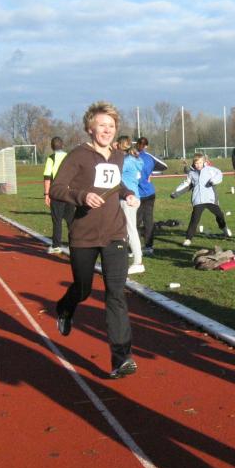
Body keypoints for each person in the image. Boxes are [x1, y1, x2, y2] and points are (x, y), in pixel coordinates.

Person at [50, 101, 140, 379]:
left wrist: (127, 193)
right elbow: (56, 189)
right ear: (90, 128)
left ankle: (121, 358)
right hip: (84, 235)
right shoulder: (78, 155)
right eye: (102, 125)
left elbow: (115, 184)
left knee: (116, 294)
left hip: (114, 233)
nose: (107, 130)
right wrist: (81, 196)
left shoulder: (118, 156)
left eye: (111, 126)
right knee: (83, 289)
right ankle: (65, 307)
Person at [171, 153, 232, 246]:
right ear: (194, 163)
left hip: (211, 199)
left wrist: (214, 181)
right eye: (196, 163)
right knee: (194, 219)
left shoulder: (210, 170)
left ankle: (224, 229)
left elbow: (219, 174)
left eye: (200, 163)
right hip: (198, 200)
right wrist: (176, 192)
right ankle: (188, 239)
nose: (198, 165)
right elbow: (186, 184)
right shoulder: (191, 173)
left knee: (219, 214)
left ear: (203, 162)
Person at [115, 135, 145, 274]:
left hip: (127, 198)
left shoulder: (125, 161)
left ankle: (138, 262)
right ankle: (127, 255)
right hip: (134, 196)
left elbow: (116, 176)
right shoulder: (137, 160)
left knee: (130, 229)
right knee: (126, 229)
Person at [43, 136, 75, 254]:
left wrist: (46, 194)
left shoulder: (51, 158)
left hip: (56, 193)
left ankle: (56, 245)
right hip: (70, 193)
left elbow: (47, 177)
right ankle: (74, 245)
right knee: (71, 221)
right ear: (63, 145)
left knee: (57, 220)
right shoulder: (70, 157)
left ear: (52, 147)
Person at [136, 137, 157, 256]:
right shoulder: (150, 159)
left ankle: (135, 247)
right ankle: (149, 246)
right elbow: (149, 174)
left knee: (135, 222)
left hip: (138, 194)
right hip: (150, 193)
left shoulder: (132, 158)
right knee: (148, 221)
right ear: (146, 146)